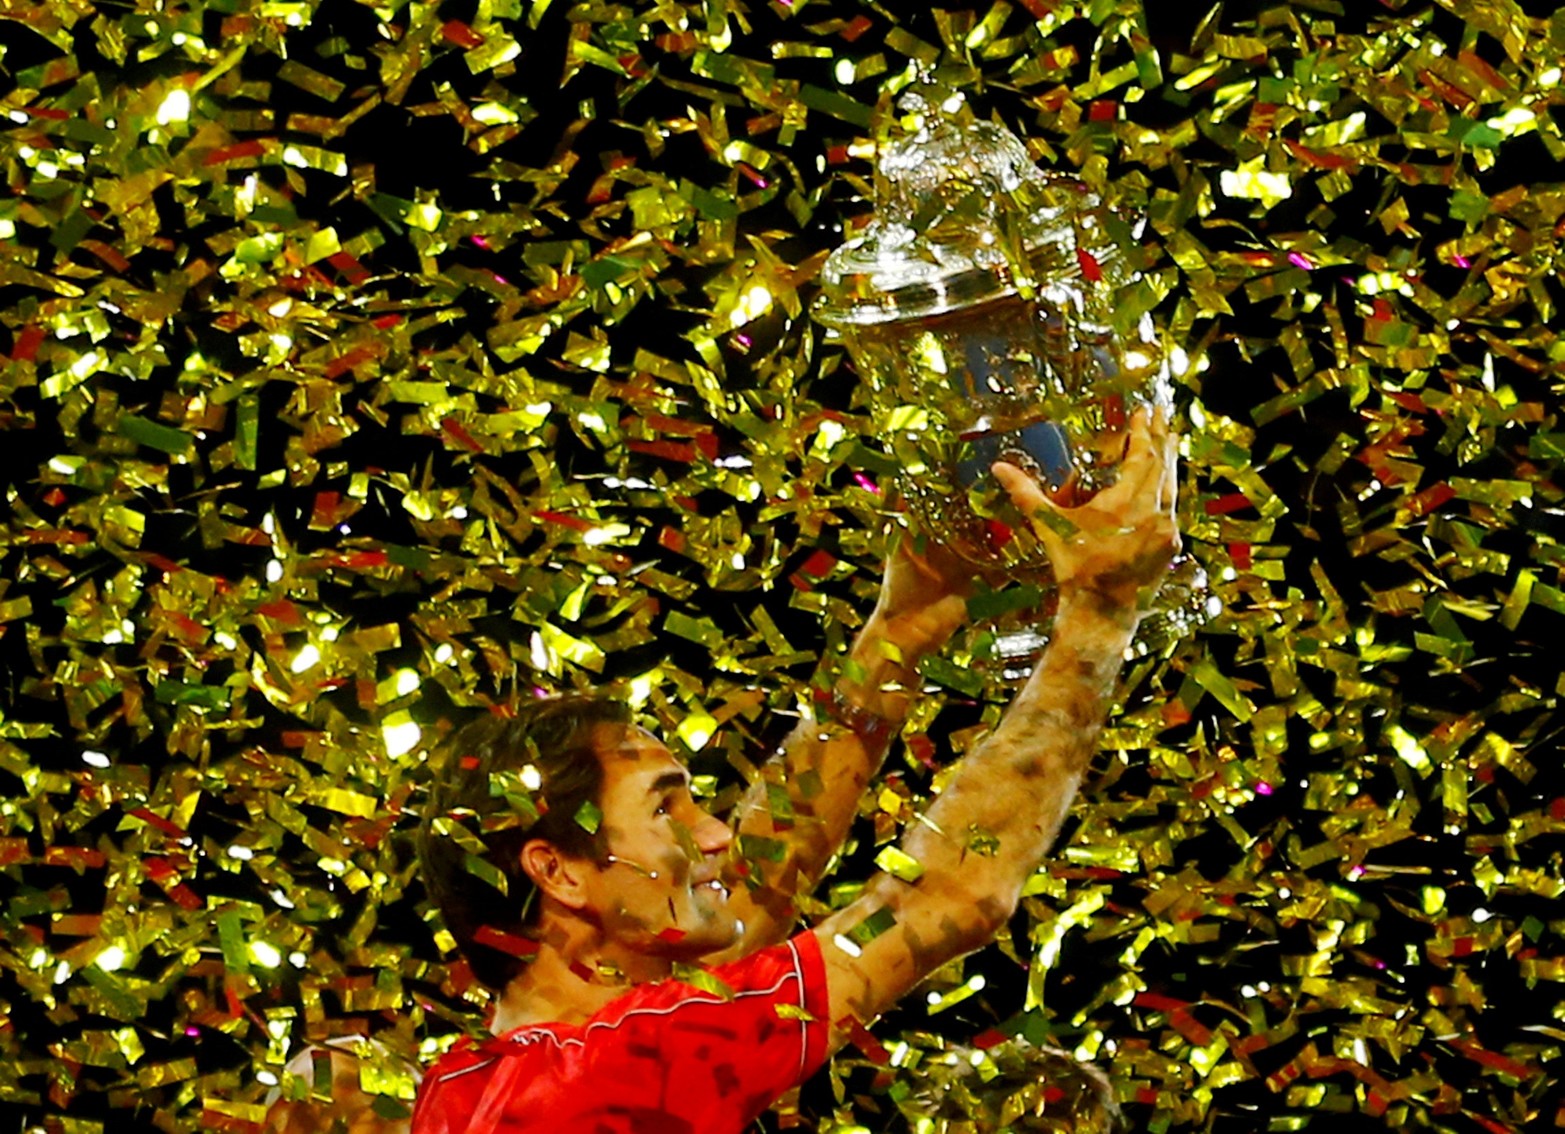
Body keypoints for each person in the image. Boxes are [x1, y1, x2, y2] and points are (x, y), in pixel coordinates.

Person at [408, 408, 1179, 1133]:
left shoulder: (468, 1082)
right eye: (664, 811)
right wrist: (1099, 610)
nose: (713, 831)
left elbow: (754, 889)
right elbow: (952, 895)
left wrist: (896, 637)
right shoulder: (613, 1071)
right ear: (559, 872)